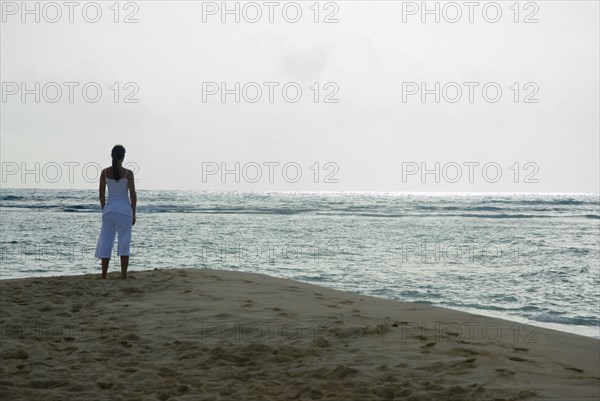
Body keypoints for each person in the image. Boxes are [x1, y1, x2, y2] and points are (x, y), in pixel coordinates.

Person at [94, 144, 137, 279]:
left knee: (106, 242)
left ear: (111, 155)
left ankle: (104, 275)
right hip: (125, 211)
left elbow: (101, 194)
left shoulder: (105, 172)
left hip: (109, 210)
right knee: (124, 241)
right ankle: (123, 275)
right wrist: (134, 213)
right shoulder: (128, 173)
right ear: (123, 157)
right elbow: (133, 195)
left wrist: (104, 209)